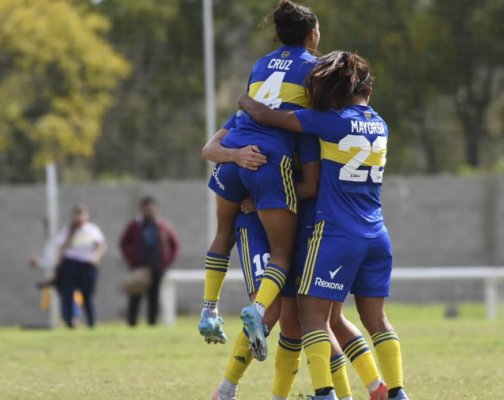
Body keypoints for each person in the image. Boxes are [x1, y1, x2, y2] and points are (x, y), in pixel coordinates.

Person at [239, 51, 410, 399]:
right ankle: (397, 393)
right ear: (368, 88)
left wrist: (243, 99)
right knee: (376, 320)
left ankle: (324, 394)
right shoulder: (380, 124)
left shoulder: (332, 121)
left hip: (336, 233)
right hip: (377, 234)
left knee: (311, 315)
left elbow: (266, 115)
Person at [198, 0, 321, 361]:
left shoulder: (260, 64)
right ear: (313, 34)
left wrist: (234, 154)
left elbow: (243, 114)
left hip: (234, 153)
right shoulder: (316, 68)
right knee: (281, 253)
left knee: (223, 234)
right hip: (268, 161)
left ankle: (209, 310)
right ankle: (258, 309)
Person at [119, 196, 180, 326]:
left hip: (156, 267)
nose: (149, 211)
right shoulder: (135, 225)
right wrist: (132, 259)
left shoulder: (162, 225)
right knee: (135, 296)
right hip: (138, 267)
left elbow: (175, 245)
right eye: (147, 208)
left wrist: (166, 262)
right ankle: (132, 324)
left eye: (151, 208)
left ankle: (152, 323)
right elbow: (123, 243)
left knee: (154, 297)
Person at [55, 204, 106, 329]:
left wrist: (96, 257)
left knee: (87, 295)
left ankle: (91, 322)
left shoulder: (92, 230)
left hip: (86, 264)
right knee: (67, 294)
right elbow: (62, 248)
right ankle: (70, 321)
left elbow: (101, 245)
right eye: (76, 215)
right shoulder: (68, 230)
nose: (78, 217)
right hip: (70, 264)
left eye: (81, 214)